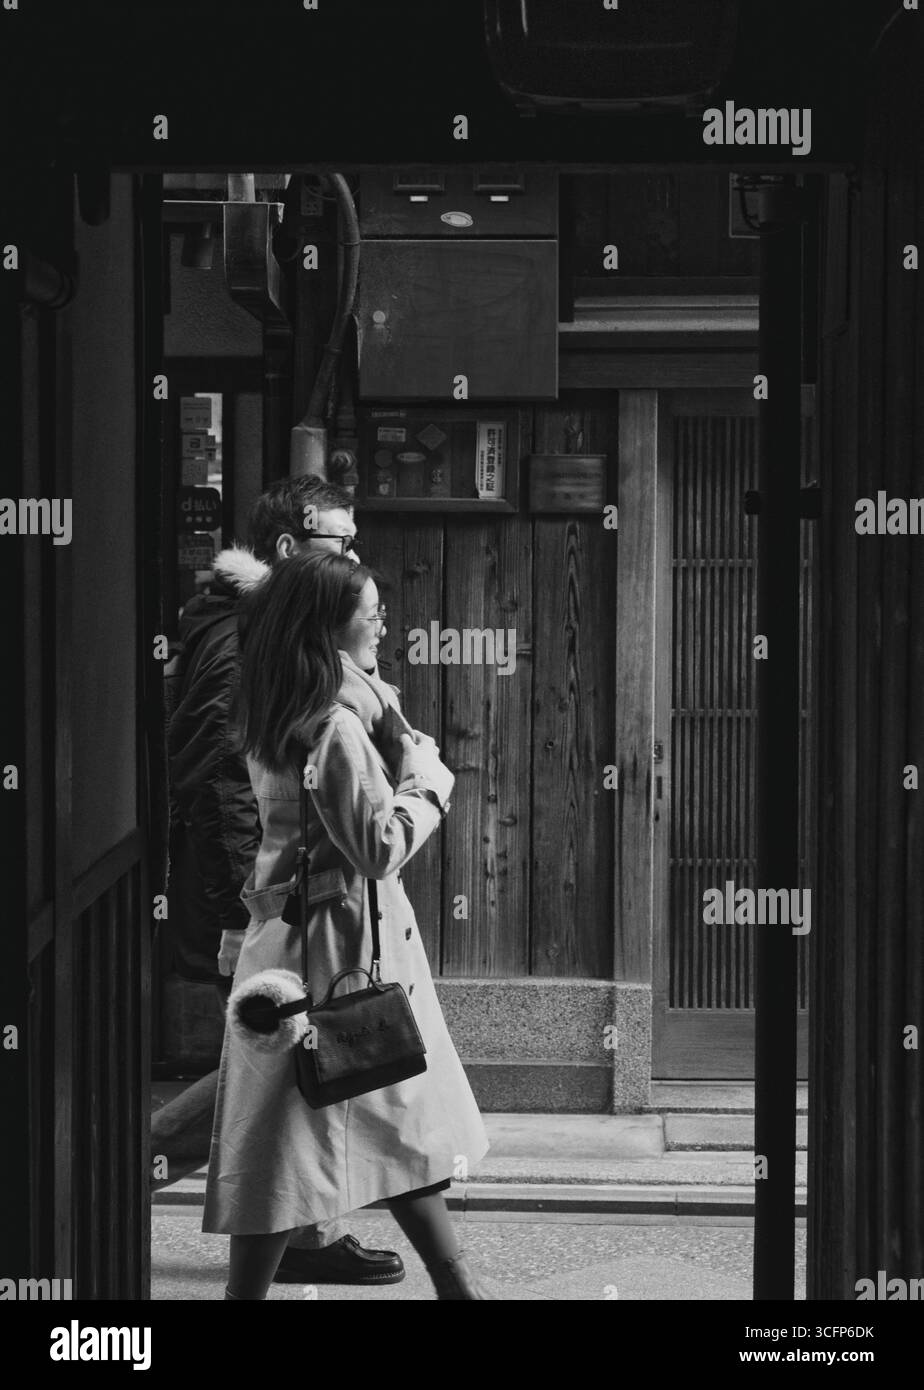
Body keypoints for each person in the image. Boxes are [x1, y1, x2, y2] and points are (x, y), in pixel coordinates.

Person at [202, 553, 493, 1300]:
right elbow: (378, 846)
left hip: (296, 944)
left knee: (382, 1121)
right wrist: (429, 781)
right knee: (324, 1129)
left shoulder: (283, 701)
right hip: (339, 950)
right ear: (329, 628)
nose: (383, 623)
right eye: (371, 612)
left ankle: (458, 1287)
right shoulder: (335, 721)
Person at [156, 475, 405, 1286]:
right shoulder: (243, 637)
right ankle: (106, 1176)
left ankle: (305, 1238)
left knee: (289, 1066)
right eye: (341, 541)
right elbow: (216, 771)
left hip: (278, 899)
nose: (355, 556)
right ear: (293, 548)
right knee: (266, 1074)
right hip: (264, 901)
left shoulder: (270, 625)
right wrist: (248, 908)